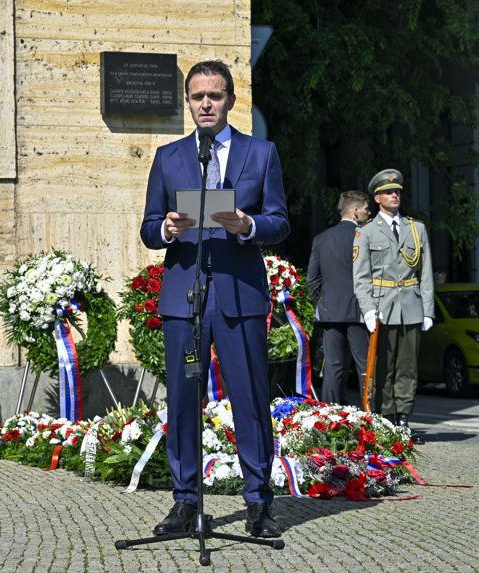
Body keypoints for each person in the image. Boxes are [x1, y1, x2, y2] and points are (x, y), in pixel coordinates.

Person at [141, 60, 290, 538]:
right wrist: (166, 227)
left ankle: (258, 504)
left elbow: (281, 221)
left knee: (250, 401)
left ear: (229, 100)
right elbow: (147, 228)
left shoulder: (261, 153)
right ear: (187, 101)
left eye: (215, 95)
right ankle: (185, 502)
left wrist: (247, 225)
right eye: (197, 96)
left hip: (239, 297)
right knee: (183, 400)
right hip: (185, 296)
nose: (206, 104)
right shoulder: (168, 157)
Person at [352, 168, 433, 443]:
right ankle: (386, 418)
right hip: (382, 306)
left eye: (397, 191)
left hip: (411, 306)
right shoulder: (365, 233)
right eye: (388, 192)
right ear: (377, 198)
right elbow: (361, 277)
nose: (394, 195)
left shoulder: (416, 228)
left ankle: (404, 417)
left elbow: (425, 273)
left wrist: (428, 310)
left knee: (408, 368)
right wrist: (368, 309)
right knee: (384, 368)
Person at [307, 191, 371, 405]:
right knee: (365, 366)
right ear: (354, 211)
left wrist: (322, 303)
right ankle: (370, 416)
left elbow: (312, 280)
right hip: (359, 311)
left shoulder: (321, 239)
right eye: (365, 209)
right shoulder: (364, 236)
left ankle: (330, 416)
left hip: (330, 312)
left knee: (333, 367)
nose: (368, 213)